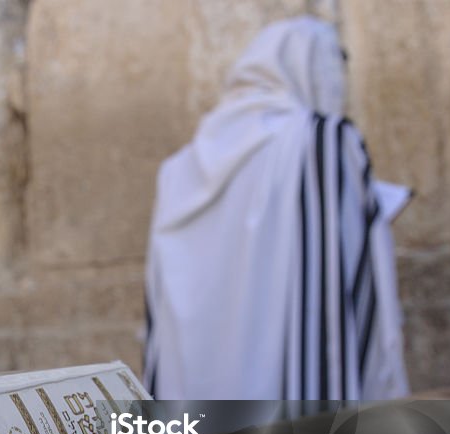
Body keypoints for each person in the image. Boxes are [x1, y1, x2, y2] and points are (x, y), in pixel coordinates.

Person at [143, 16, 409, 400]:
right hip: (292, 398)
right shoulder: (322, 143)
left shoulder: (179, 168)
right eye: (336, 65)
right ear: (309, 67)